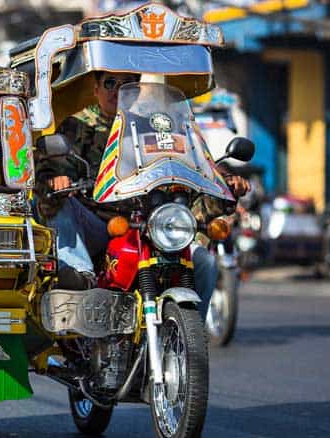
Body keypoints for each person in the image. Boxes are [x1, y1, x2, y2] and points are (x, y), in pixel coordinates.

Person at [35, 71, 251, 319]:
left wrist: (224, 184)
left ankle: (191, 337)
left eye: (127, 85)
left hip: (150, 225)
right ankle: (79, 274)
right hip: (100, 224)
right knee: (62, 206)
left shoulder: (155, 126)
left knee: (205, 263)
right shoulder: (77, 126)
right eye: (109, 83)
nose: (117, 90)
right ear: (96, 89)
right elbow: (48, 173)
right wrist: (56, 181)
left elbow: (189, 167)